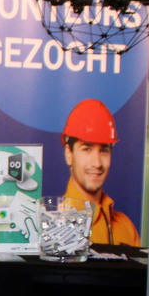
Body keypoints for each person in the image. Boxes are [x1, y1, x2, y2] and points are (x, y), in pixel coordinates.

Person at [60, 98, 140, 246]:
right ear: (69, 154)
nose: (97, 163)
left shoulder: (126, 228)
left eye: (104, 150)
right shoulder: (54, 223)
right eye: (87, 149)